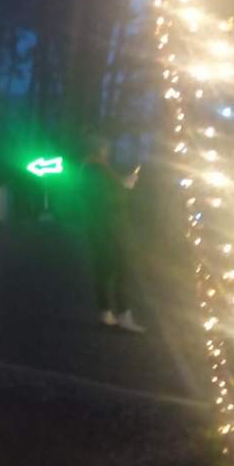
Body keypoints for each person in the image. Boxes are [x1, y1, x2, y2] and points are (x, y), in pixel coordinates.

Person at [80, 135, 145, 333]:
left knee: (105, 268)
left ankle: (107, 312)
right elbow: (105, 198)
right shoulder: (95, 168)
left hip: (102, 226)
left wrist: (122, 184)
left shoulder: (92, 167)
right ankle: (123, 314)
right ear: (100, 148)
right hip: (110, 227)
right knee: (121, 268)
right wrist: (124, 186)